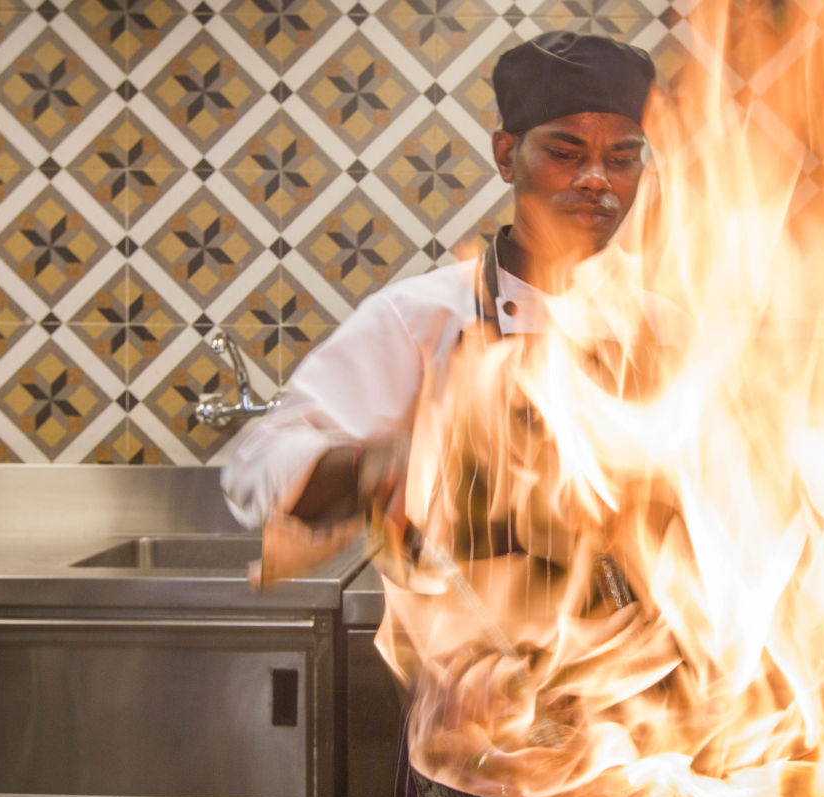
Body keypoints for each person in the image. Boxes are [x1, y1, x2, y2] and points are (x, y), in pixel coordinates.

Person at [221, 31, 656, 536]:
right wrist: (365, 465)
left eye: (622, 160)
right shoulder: (419, 318)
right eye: (565, 153)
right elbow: (257, 465)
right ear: (505, 154)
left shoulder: (669, 328)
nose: (596, 179)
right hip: (461, 616)